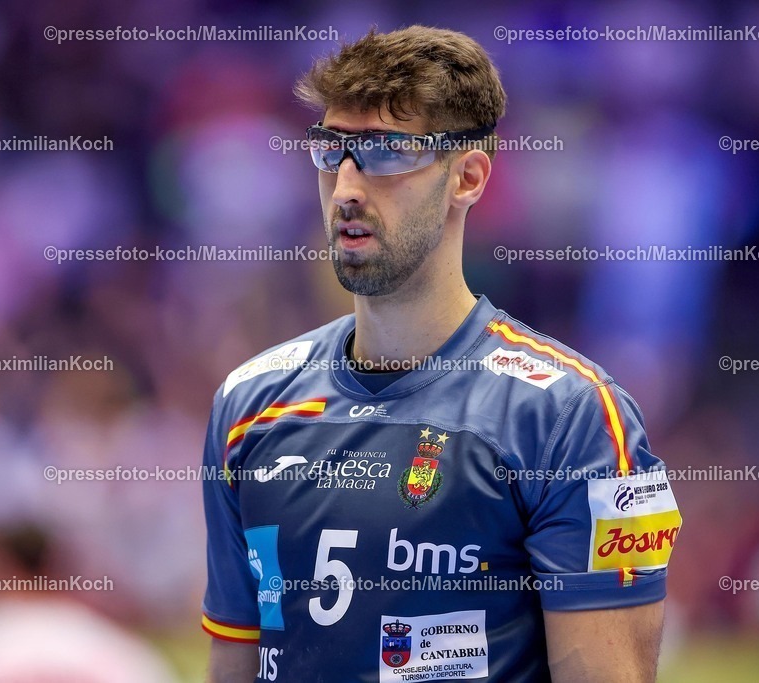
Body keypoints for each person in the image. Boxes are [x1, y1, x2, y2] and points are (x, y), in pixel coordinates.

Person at [201, 25, 681, 682]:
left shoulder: (571, 417)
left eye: (387, 153)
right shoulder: (247, 404)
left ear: (469, 177)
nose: (345, 187)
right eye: (331, 150)